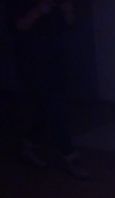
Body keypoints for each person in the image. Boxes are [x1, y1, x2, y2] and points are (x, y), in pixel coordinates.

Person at [5, 0, 88, 179]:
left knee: (46, 110)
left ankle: (28, 145)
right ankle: (70, 155)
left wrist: (67, 11)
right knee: (53, 107)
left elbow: (70, 26)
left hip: (57, 61)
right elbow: (18, 26)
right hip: (32, 63)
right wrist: (39, 10)